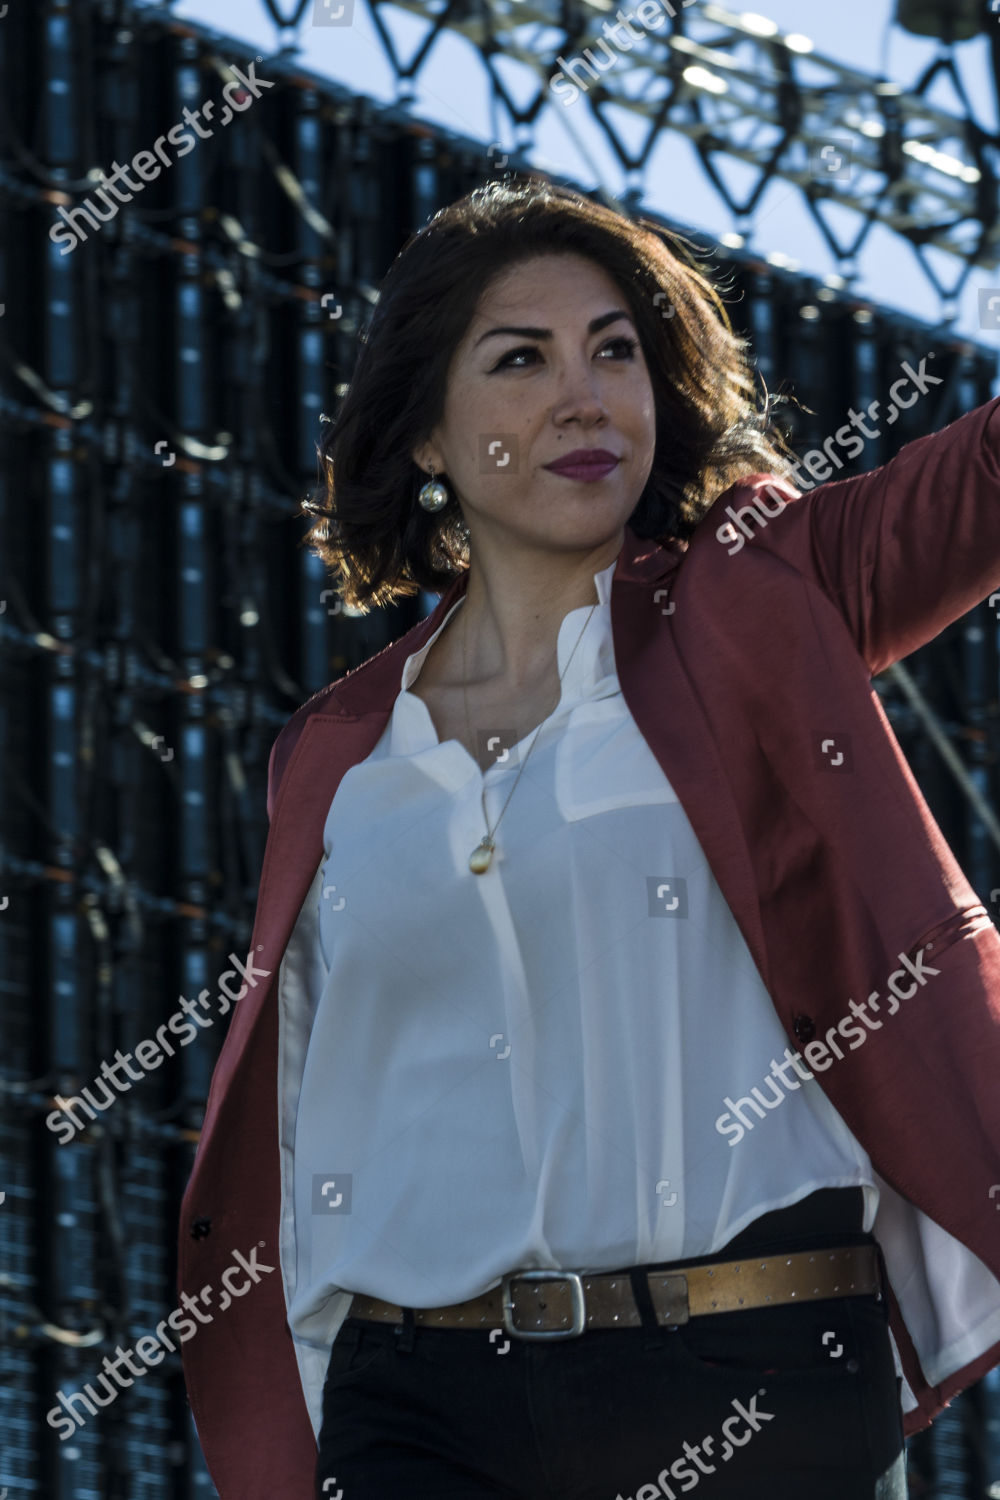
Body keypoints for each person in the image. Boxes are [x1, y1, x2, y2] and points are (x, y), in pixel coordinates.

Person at [177, 178, 1000, 1500]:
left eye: (614, 352)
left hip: (754, 1379)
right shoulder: (331, 754)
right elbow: (311, 1117)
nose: (584, 397)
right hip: (417, 1412)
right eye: (522, 359)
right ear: (426, 433)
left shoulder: (757, 604)